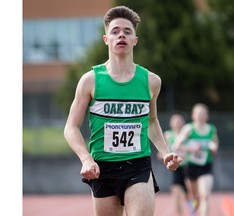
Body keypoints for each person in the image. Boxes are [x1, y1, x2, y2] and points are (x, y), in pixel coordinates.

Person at [63, 5, 182, 216]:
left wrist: (165, 153)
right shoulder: (90, 81)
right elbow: (71, 127)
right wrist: (86, 159)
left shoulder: (151, 81)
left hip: (137, 163)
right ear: (106, 39)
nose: (121, 35)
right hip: (102, 167)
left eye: (127, 32)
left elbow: (152, 121)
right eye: (115, 31)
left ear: (135, 40)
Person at [175, 103, 219, 216]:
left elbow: (215, 144)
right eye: (198, 113)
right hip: (191, 166)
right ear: (193, 116)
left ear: (207, 116)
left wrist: (213, 148)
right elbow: (177, 145)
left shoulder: (211, 129)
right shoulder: (189, 129)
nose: (201, 116)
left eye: (203, 114)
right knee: (195, 196)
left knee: (205, 195)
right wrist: (191, 148)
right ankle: (196, 201)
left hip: (206, 166)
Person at [158, 113, 189, 216]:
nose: (177, 122)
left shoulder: (187, 135)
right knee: (176, 192)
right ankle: (179, 213)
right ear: (171, 123)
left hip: (187, 166)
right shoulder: (168, 135)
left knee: (189, 194)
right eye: (175, 120)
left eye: (179, 120)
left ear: (183, 123)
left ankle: (193, 211)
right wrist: (164, 156)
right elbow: (162, 152)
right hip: (175, 168)